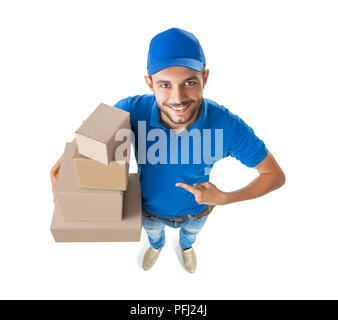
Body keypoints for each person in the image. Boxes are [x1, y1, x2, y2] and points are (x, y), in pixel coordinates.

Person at [50, 27, 286, 273]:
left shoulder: (227, 126)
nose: (178, 98)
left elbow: (275, 176)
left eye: (190, 82)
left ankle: (186, 247)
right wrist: (62, 163)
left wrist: (226, 198)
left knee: (190, 236)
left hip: (197, 212)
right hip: (148, 210)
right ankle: (156, 245)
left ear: (205, 78)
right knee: (153, 234)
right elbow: (92, 136)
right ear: (149, 83)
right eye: (165, 85)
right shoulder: (131, 109)